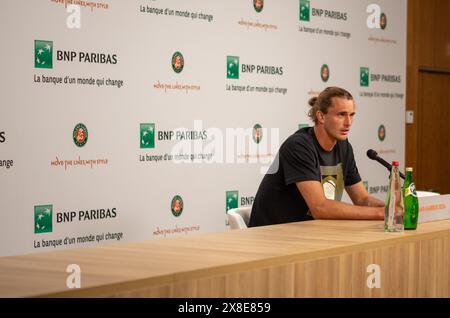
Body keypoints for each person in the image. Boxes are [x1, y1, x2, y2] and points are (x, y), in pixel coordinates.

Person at [249, 87, 384, 227]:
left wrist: (394, 209)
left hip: (308, 233)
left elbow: (362, 199)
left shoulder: (344, 147)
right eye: (341, 115)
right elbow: (320, 208)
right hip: (272, 235)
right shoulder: (299, 146)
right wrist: (381, 214)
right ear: (321, 116)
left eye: (352, 115)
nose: (348, 122)